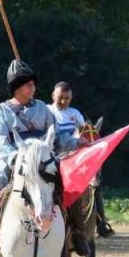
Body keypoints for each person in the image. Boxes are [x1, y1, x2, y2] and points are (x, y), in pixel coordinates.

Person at [0, 60, 55, 257]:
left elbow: (58, 137)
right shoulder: (2, 110)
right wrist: (15, 159)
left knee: (65, 181)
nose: (32, 88)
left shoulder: (44, 109)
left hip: (41, 161)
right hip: (13, 161)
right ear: (17, 88)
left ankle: (76, 232)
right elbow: (0, 140)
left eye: (32, 84)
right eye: (28, 84)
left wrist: (76, 142)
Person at [47, 81, 115, 238]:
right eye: (61, 97)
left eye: (67, 98)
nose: (64, 101)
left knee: (94, 183)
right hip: (53, 158)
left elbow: (86, 134)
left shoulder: (75, 114)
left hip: (74, 161)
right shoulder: (47, 111)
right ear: (53, 96)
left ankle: (100, 222)